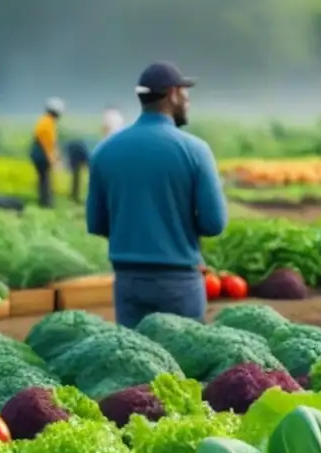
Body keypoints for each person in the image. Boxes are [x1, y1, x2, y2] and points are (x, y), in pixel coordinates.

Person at [86, 61, 226, 328]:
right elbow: (213, 223)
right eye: (186, 94)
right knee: (183, 364)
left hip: (128, 283)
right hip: (179, 283)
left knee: (137, 363)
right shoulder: (196, 150)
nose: (188, 102)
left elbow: (97, 224)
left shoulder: (105, 151)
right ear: (173, 93)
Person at [30, 98, 64, 208]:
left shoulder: (44, 120)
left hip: (37, 154)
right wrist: (54, 160)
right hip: (41, 154)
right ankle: (46, 203)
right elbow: (49, 145)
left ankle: (43, 201)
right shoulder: (48, 123)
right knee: (45, 178)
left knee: (42, 178)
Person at [65, 138, 90, 203]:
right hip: (75, 155)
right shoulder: (84, 155)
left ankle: (74, 195)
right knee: (76, 178)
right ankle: (74, 196)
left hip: (74, 154)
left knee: (75, 178)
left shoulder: (81, 151)